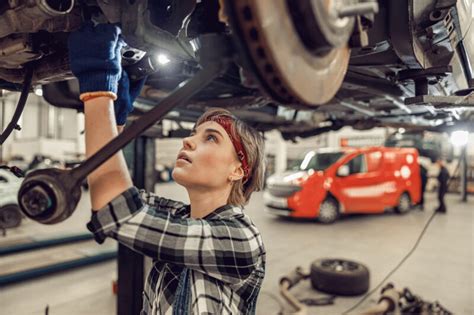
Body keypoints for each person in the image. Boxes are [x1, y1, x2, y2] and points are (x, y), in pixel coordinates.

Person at [68, 23, 266, 314]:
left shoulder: (241, 240)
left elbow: (117, 212)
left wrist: (99, 86)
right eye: (194, 133)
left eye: (210, 137)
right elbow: (113, 190)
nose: (188, 140)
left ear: (238, 170)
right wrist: (116, 119)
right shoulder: (180, 216)